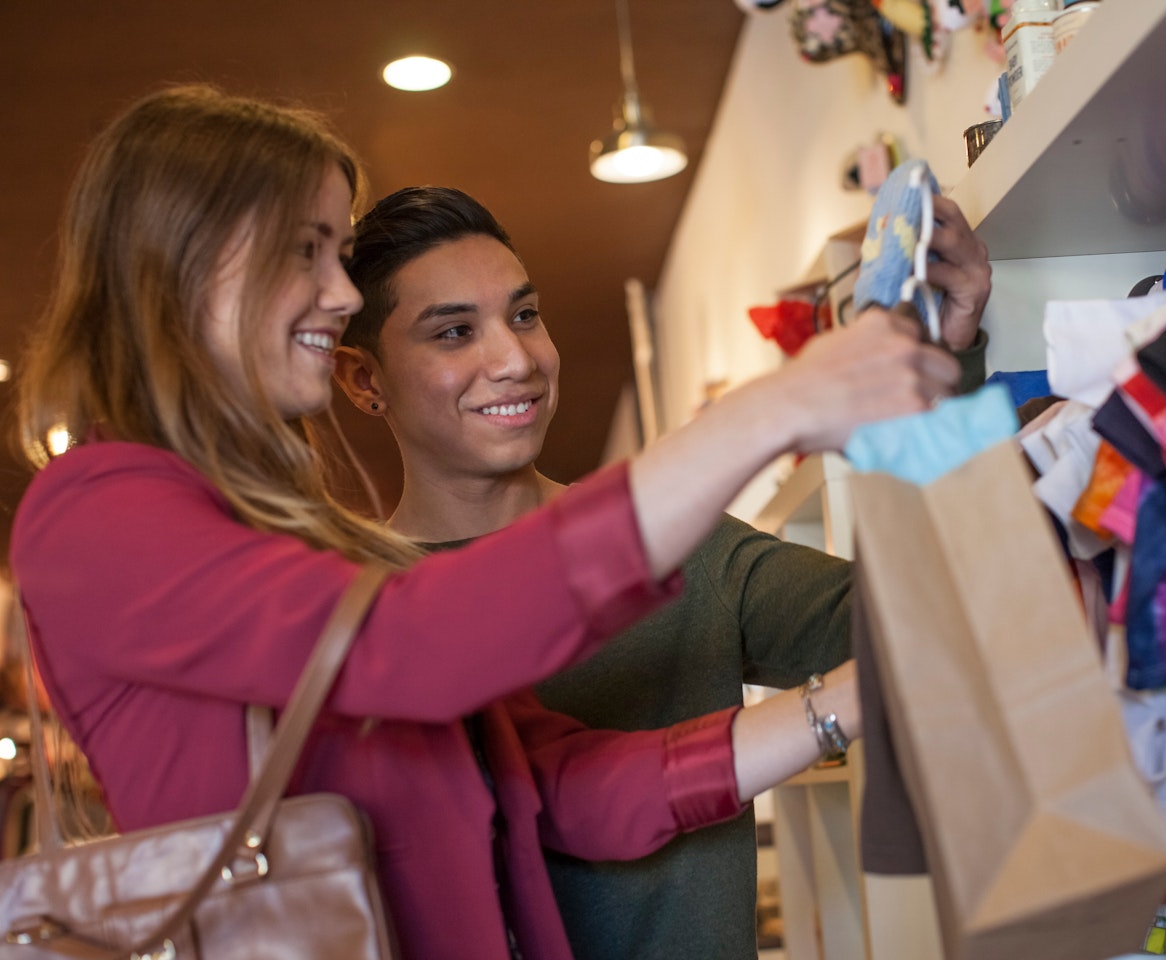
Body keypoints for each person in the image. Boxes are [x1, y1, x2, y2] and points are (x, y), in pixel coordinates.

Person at [7, 86, 961, 960]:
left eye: (340, 255)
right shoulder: (97, 511)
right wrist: (767, 413)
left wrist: (843, 705)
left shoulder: (316, 557)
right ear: (181, 265)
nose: (340, 296)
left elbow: (560, 788)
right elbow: (412, 645)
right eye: (308, 251)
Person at [332, 186, 991, 959]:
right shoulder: (351, 620)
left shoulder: (683, 550)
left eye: (523, 315)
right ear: (363, 380)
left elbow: (927, 620)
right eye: (453, 332)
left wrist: (941, 370)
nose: (514, 359)